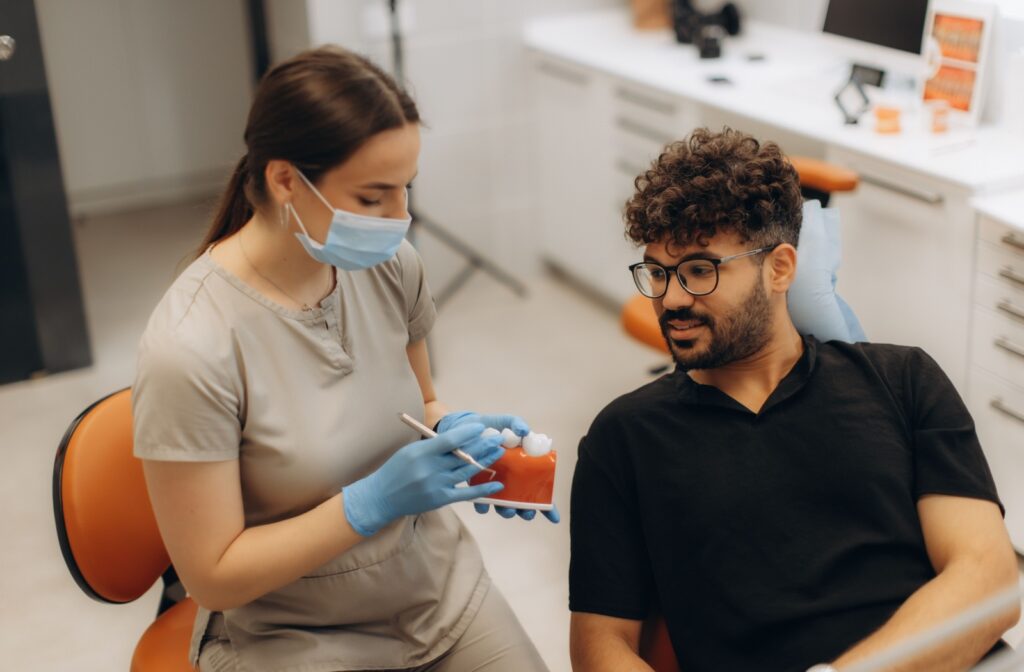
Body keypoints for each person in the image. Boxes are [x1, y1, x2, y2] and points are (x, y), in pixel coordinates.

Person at [132, 47, 554, 672]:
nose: (401, 219)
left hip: (436, 592)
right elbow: (215, 578)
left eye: (405, 189)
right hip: (296, 635)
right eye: (373, 196)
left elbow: (418, 402)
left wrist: (464, 441)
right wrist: (369, 504)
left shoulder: (390, 267)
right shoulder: (191, 347)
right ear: (284, 181)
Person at [568, 128, 1020, 672]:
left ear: (780, 268)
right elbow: (601, 646)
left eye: (700, 270)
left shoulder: (903, 380)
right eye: (658, 273)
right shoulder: (624, 437)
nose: (672, 299)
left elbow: (989, 577)